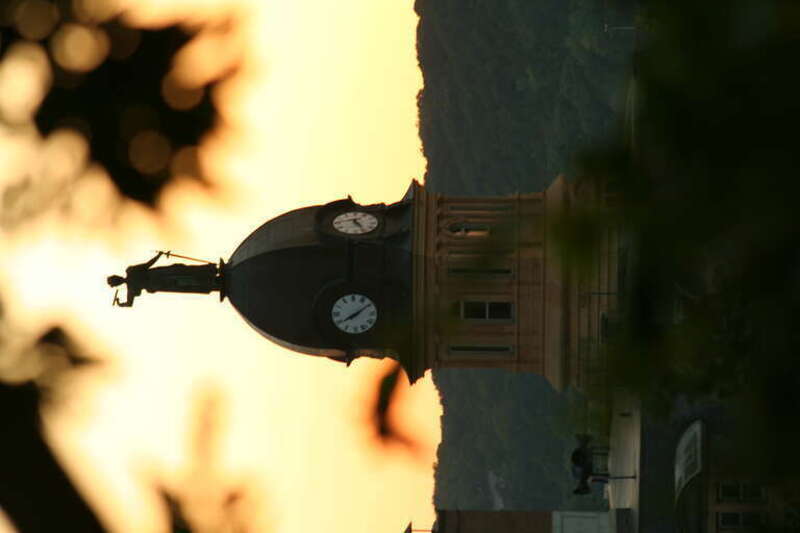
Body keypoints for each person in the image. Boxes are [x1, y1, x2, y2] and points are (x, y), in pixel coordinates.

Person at [107, 252, 220, 307]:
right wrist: (159, 255)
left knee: (185, 279)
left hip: (161, 281)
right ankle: (212, 274)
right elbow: (148, 264)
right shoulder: (131, 272)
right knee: (184, 273)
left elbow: (129, 303)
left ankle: (212, 281)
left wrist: (119, 304)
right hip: (160, 277)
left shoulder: (131, 286)